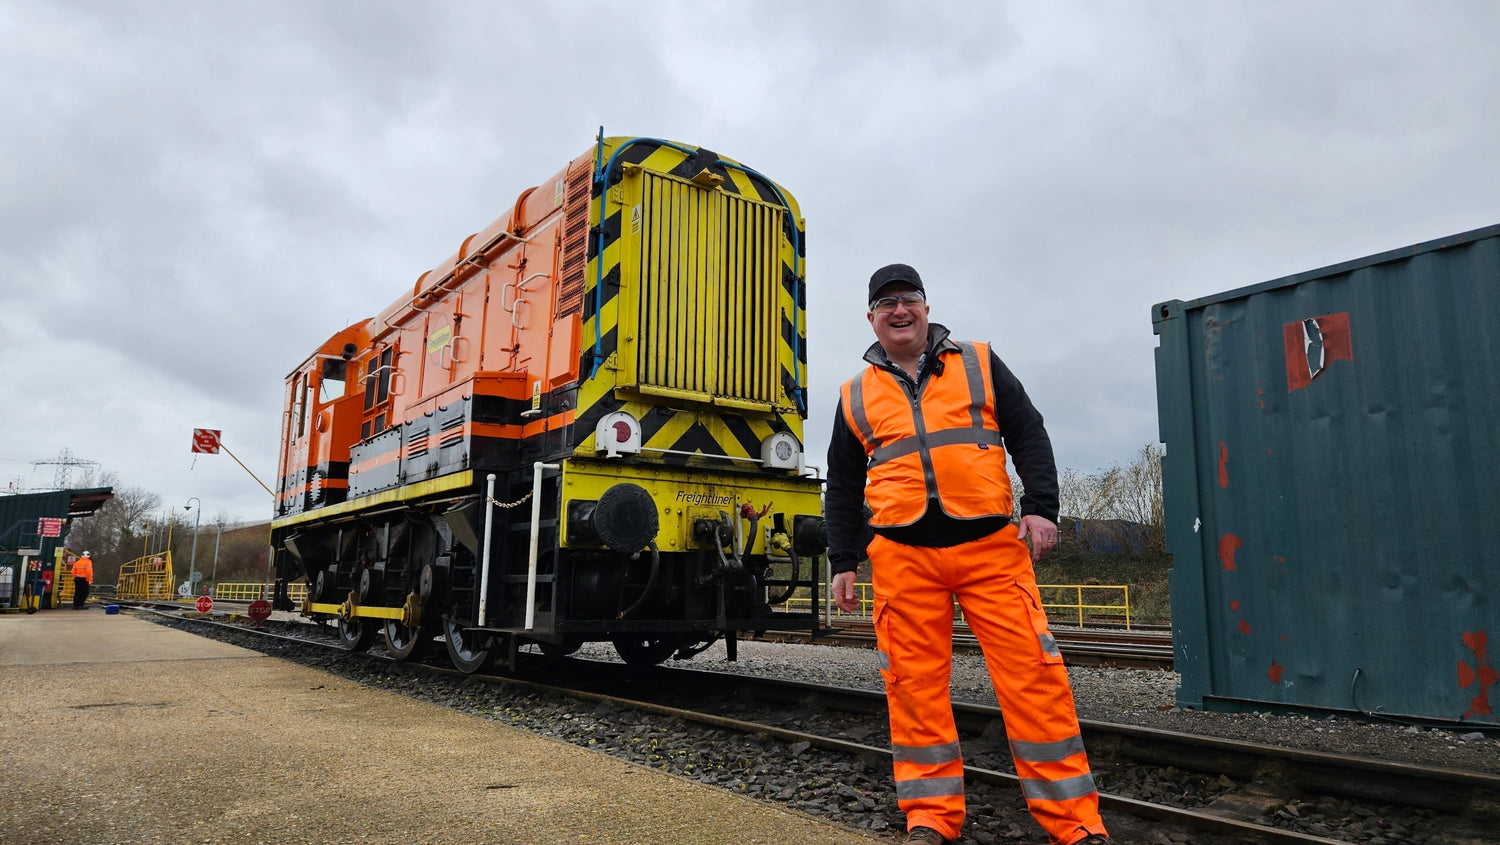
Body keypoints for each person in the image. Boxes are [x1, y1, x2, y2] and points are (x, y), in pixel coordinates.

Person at [825, 264, 1110, 845]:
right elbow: (843, 480)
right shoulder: (855, 394)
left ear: (926, 307)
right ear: (871, 319)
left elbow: (1028, 431)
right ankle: (930, 818)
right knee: (912, 688)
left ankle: (1076, 823)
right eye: (886, 305)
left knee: (1035, 679)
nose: (898, 312)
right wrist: (843, 561)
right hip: (902, 558)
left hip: (990, 551)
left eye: (907, 300)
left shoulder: (978, 362)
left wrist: (1042, 507)